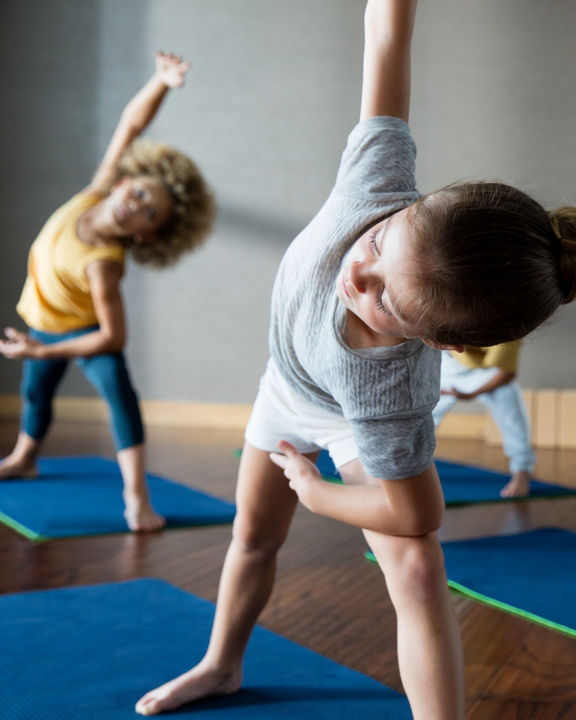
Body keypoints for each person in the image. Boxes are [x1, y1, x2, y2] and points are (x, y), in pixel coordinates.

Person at [135, 1, 576, 717]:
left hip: (346, 415)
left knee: (417, 566)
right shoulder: (379, 181)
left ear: (440, 344)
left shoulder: (391, 389)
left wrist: (317, 494)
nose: (355, 273)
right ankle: (221, 664)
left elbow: (416, 511)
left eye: (381, 297)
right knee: (252, 535)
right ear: (410, 204)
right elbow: (386, 34)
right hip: (288, 385)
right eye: (376, 246)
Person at [0, 52, 215, 532]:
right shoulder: (95, 192)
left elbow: (113, 337)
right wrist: (161, 82)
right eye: (138, 194)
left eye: (150, 215)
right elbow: (130, 125)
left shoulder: (104, 266)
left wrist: (44, 348)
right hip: (44, 322)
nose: (135, 208)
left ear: (147, 237)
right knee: (35, 395)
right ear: (122, 182)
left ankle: (136, 497)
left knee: (119, 397)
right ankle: (24, 458)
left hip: (82, 333)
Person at [433, 342, 536, 497]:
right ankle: (410, 470)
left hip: (486, 373)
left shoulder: (508, 328)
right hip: (446, 365)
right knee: (422, 419)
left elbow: (506, 373)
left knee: (513, 416)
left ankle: (522, 472)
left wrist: (470, 395)